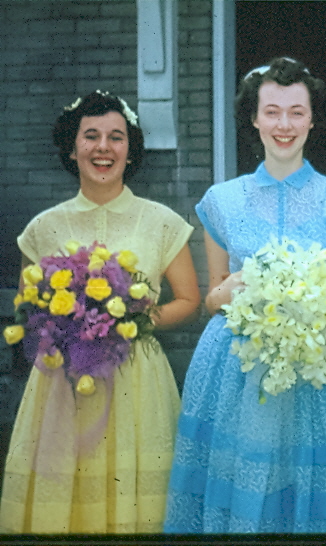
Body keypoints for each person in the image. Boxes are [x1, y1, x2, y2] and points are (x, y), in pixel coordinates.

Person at [164, 57, 326, 533]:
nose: (284, 125)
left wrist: (312, 309)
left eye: (297, 112)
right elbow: (211, 299)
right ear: (253, 119)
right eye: (271, 112)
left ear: (313, 119)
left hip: (310, 377)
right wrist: (236, 288)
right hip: (233, 371)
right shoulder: (222, 200)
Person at [0, 90, 200, 533]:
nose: (103, 147)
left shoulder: (162, 221)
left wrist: (130, 323)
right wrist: (63, 328)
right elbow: (27, 313)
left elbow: (188, 300)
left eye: (116, 137)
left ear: (130, 150)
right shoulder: (43, 227)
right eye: (90, 136)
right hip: (63, 383)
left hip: (137, 379)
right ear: (72, 149)